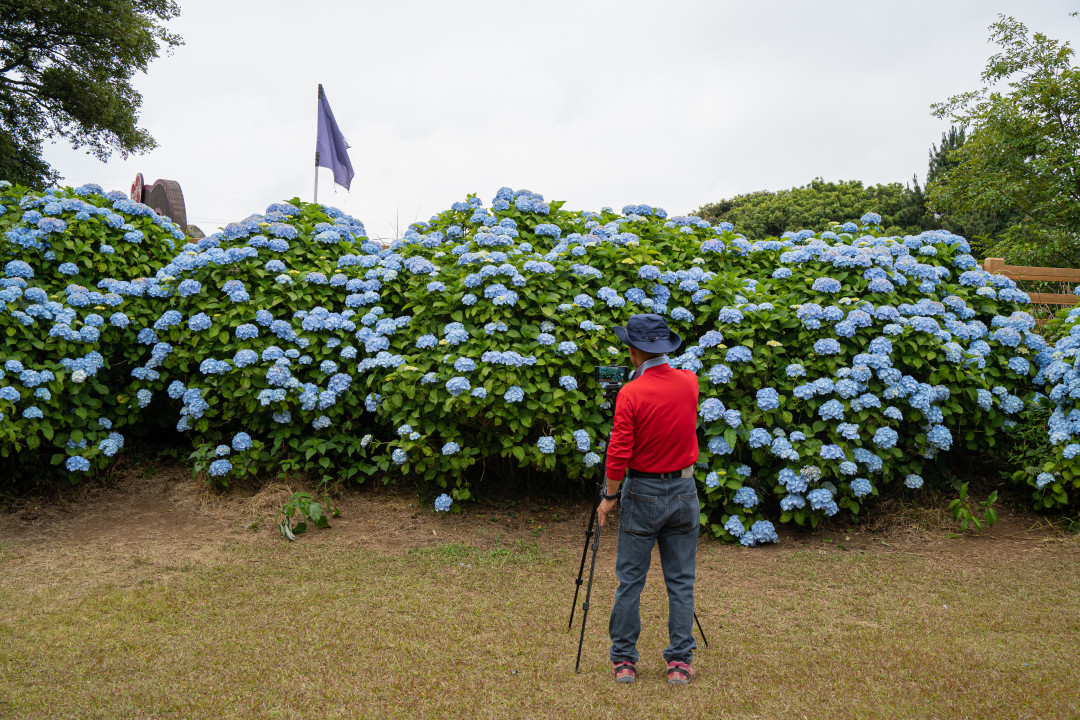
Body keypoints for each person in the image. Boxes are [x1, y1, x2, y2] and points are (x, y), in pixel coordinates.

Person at [597, 313, 701, 686]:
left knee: (630, 580)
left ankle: (624, 659)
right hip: (684, 491)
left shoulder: (631, 392)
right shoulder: (690, 382)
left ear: (633, 351)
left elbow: (619, 451)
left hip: (642, 492)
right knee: (681, 581)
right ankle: (680, 661)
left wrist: (609, 497)